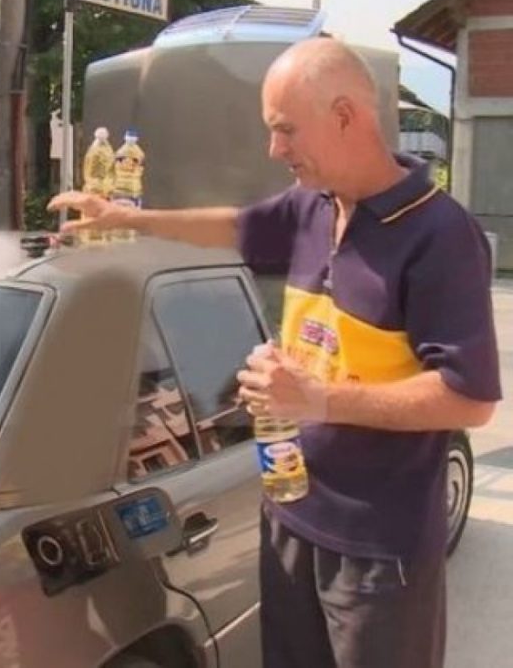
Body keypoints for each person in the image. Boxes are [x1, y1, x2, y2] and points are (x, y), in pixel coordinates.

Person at [47, 37, 501, 668]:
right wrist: (123, 217)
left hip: (378, 547)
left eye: (286, 129)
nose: (274, 149)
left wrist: (317, 399)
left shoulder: (439, 234)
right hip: (289, 512)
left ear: (344, 116)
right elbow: (235, 226)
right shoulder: (314, 205)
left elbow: (468, 398)